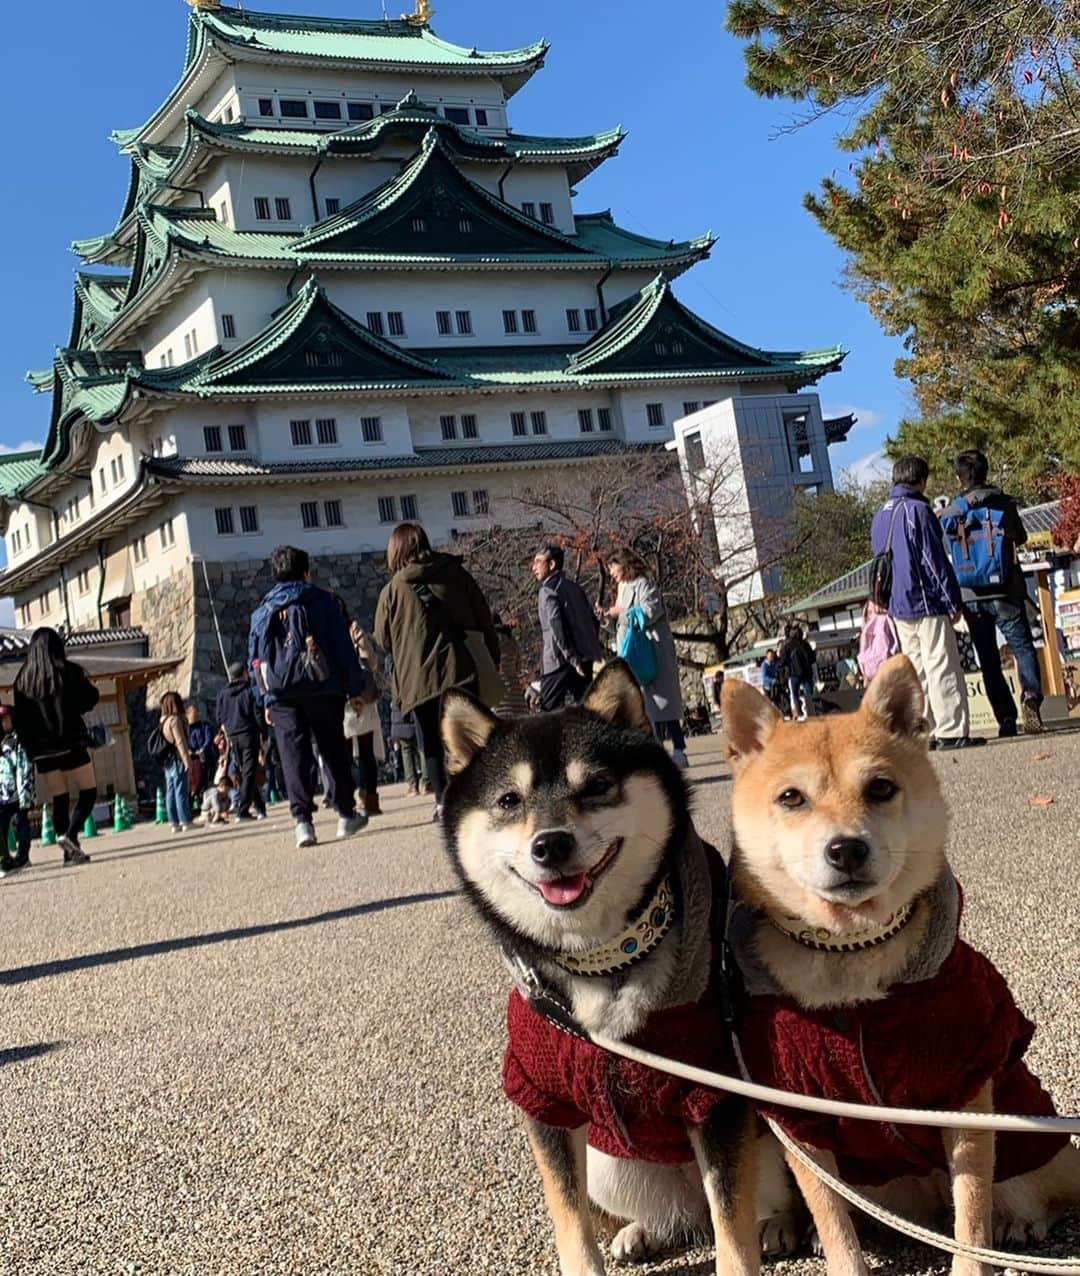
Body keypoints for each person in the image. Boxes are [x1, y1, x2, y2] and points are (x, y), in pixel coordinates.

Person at [248, 545, 371, 848]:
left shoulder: (263, 612)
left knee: (292, 757)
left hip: (281, 694)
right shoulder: (324, 602)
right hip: (323, 686)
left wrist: (264, 698)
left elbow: (255, 661)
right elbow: (343, 648)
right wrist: (354, 689)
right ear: (306, 571)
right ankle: (344, 814)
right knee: (332, 750)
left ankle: (303, 823)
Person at [374, 522, 499, 816]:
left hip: (418, 681)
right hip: (462, 669)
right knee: (470, 734)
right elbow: (483, 617)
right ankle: (479, 793)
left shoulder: (392, 590)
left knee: (429, 740)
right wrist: (491, 658)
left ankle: (443, 802)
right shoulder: (456, 573)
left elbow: (382, 638)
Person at [870, 456, 983, 749]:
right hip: (927, 600)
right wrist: (951, 600)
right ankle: (951, 730)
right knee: (941, 664)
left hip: (898, 604)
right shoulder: (919, 510)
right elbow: (933, 561)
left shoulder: (880, 515)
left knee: (915, 671)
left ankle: (922, 732)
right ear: (921, 480)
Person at [946, 449, 1044, 737]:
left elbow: (945, 542)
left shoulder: (953, 511)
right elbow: (1020, 537)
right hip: (1005, 589)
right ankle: (1030, 698)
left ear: (958, 478)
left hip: (971, 594)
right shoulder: (1003, 503)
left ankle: (1004, 718)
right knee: (1022, 646)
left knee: (987, 657)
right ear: (986, 473)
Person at [12, 627, 99, 865]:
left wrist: (32, 749)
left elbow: (20, 721)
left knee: (60, 797)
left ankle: (69, 851)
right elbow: (91, 698)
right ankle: (70, 835)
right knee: (88, 791)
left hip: (43, 751)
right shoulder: (67, 671)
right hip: (70, 743)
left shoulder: (22, 681)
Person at [599, 548, 687, 766]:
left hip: (652, 649)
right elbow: (621, 623)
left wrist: (621, 613)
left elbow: (650, 612)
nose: (612, 573)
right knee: (646, 705)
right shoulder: (622, 587)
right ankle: (659, 750)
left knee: (662, 702)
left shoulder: (643, 583)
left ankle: (678, 748)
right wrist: (607, 616)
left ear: (623, 564)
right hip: (632, 651)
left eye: (613, 567)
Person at [532, 543, 603, 710]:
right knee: (588, 711)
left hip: (558, 660)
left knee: (549, 711)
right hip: (585, 657)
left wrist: (571, 657)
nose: (533, 567)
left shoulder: (547, 591)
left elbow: (556, 625)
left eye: (537, 561)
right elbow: (593, 621)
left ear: (551, 564)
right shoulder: (575, 588)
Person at [215, 662, 268, 821]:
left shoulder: (223, 694)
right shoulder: (249, 691)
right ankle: (243, 810)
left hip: (233, 737)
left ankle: (260, 807)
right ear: (244, 673)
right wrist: (264, 734)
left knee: (246, 773)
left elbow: (219, 717)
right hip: (249, 734)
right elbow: (257, 714)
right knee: (249, 772)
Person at [345, 614, 383, 817]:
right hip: (359, 697)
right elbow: (373, 662)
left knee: (350, 755)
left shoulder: (325, 630)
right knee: (364, 754)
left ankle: (354, 801)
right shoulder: (351, 630)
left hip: (344, 699)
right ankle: (367, 799)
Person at [0, 706, 35, 876]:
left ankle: (23, 856)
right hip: (3, 794)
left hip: (18, 791)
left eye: (5, 719)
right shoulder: (2, 741)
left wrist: (25, 793)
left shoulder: (18, 741)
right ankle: (5, 858)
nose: (3, 723)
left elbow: (23, 767)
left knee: (22, 824)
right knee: (2, 826)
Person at [159, 691, 195, 833]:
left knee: (171, 791)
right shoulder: (175, 720)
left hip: (167, 760)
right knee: (180, 790)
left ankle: (174, 822)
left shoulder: (163, 721)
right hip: (177, 759)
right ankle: (185, 820)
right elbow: (180, 742)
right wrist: (187, 760)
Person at [492, 614, 527, 718]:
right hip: (517, 698)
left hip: (500, 703)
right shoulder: (512, 641)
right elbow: (518, 667)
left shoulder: (489, 642)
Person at [389, 700, 423, 797]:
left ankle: (412, 786)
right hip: (417, 711)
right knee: (422, 749)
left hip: (401, 717)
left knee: (406, 751)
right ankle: (427, 782)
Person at [783, 627, 817, 720]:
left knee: (794, 694)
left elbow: (783, 661)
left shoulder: (787, 646)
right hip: (806, 672)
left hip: (794, 674)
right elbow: (812, 659)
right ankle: (811, 711)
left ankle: (799, 713)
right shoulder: (805, 645)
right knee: (809, 693)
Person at [185, 703, 215, 806]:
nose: (196, 715)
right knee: (193, 783)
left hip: (206, 758)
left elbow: (209, 738)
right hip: (192, 760)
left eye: (197, 713)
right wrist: (189, 750)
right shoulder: (186, 729)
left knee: (206, 782)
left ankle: (206, 804)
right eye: (193, 713)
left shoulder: (204, 725)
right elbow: (184, 741)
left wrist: (203, 749)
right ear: (187, 715)